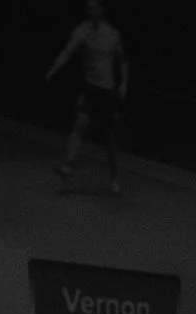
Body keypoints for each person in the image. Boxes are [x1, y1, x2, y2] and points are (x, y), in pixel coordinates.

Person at [45, 0, 127, 193]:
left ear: (102, 8)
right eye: (89, 7)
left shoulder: (112, 34)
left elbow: (124, 60)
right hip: (90, 88)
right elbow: (68, 52)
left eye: (95, 6)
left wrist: (124, 84)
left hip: (107, 91)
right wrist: (53, 69)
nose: (92, 11)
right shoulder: (82, 31)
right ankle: (69, 165)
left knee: (109, 138)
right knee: (80, 124)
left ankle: (114, 177)